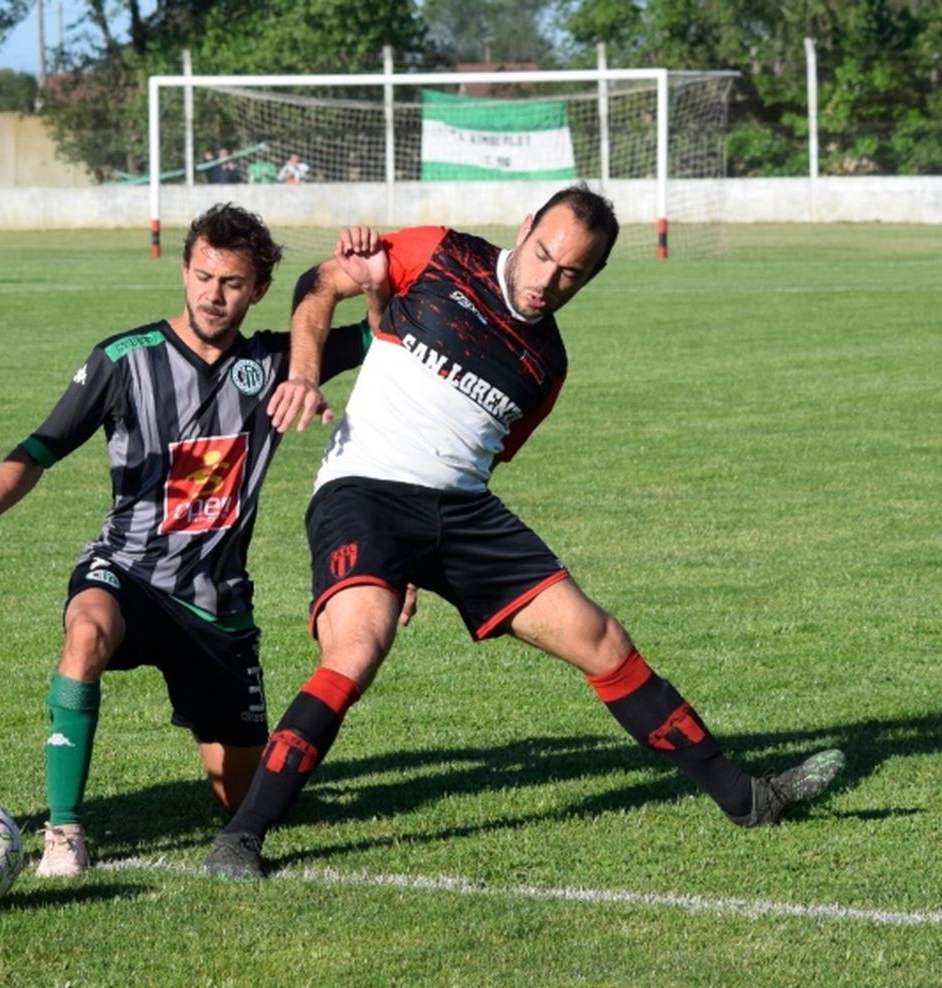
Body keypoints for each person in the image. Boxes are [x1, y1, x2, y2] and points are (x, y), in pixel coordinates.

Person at [204, 183, 846, 878]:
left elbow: (474, 454)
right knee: (357, 650)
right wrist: (304, 372)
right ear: (525, 227)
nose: (546, 280)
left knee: (603, 640)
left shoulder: (548, 367)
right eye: (543, 254)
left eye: (570, 272)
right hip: (366, 491)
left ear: (591, 276)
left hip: (463, 509)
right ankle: (241, 839)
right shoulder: (440, 252)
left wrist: (416, 564)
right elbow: (320, 282)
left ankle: (748, 800)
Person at [0, 202, 371, 878]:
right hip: (126, 571)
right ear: (185, 271)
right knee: (87, 632)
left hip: (217, 602)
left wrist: (368, 273)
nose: (213, 295)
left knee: (240, 799)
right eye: (203, 276)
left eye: (233, 283)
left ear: (259, 289)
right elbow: (40, 446)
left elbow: (383, 339)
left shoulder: (277, 360)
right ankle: (64, 833)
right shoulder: (123, 360)